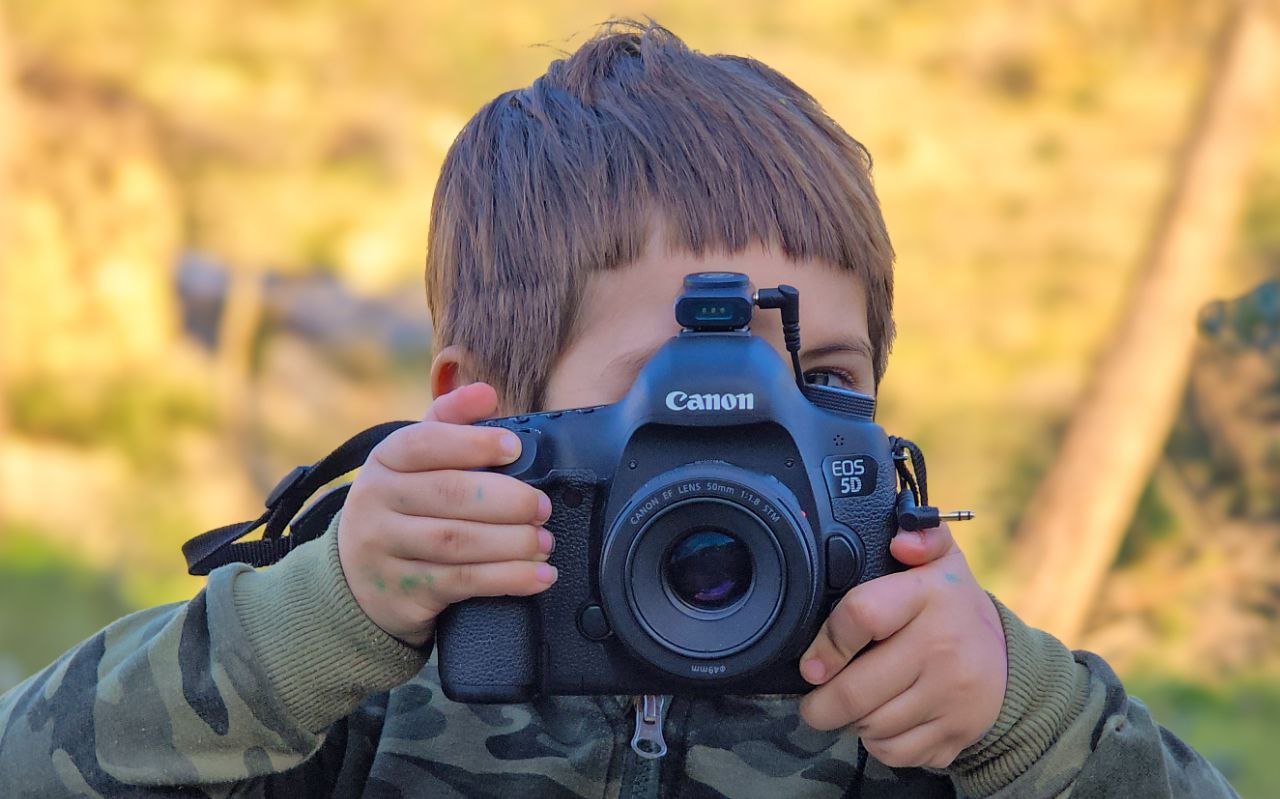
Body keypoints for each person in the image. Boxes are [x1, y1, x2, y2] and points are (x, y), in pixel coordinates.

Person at [0, 20, 1239, 798]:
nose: (752, 441)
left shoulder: (903, 703)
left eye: (823, 385)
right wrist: (320, 616)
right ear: (479, 418)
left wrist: (1023, 723)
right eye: (669, 399)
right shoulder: (374, 688)